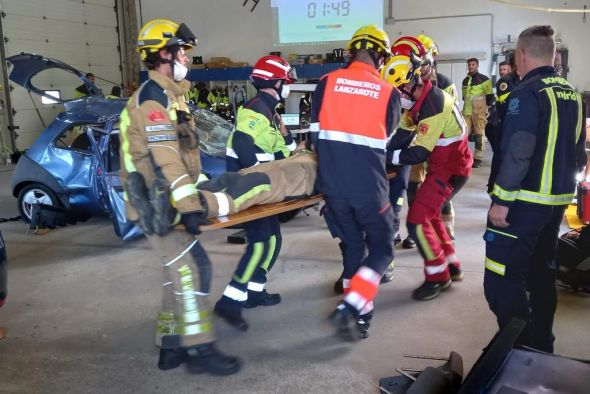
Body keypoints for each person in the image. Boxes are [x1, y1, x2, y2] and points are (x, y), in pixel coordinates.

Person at [118, 18, 240, 375]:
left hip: (167, 199)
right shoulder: (153, 99)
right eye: (181, 50)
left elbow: (187, 157)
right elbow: (165, 158)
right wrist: (189, 206)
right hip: (155, 204)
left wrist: (200, 191)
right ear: (162, 54)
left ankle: (171, 348)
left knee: (178, 274)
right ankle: (200, 350)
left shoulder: (174, 96)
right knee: (193, 270)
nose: (187, 56)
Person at [485, 25, 587, 353]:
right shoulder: (572, 93)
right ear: (555, 56)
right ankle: (543, 345)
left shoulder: (525, 93)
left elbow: (518, 150)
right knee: (542, 273)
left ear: (521, 56)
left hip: (523, 204)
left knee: (500, 278)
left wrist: (501, 200)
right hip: (556, 204)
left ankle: (520, 349)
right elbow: (579, 153)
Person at [311, 24, 401, 339]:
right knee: (382, 248)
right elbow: (386, 143)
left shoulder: (325, 83)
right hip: (370, 190)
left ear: (350, 52)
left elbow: (314, 140)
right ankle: (353, 306)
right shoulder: (390, 93)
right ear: (381, 57)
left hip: (332, 189)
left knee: (352, 246)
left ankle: (362, 316)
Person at [213, 55, 297, 331]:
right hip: (250, 188)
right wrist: (255, 176)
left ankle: (255, 291)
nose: (289, 85)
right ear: (275, 81)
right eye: (286, 81)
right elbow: (241, 142)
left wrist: (286, 136)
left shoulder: (270, 111)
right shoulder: (256, 108)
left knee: (272, 240)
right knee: (261, 242)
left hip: (264, 188)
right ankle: (230, 301)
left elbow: (284, 151)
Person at [383, 53, 472, 301]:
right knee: (430, 216)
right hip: (443, 166)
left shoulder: (433, 104)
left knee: (417, 220)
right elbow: (402, 132)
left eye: (398, 92)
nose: (398, 99)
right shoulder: (419, 101)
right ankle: (451, 265)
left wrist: (389, 158)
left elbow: (418, 151)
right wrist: (383, 150)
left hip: (452, 169)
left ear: (410, 84)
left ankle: (437, 277)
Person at [462, 58, 494, 168]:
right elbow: (464, 97)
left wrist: (487, 110)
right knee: (462, 135)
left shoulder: (485, 80)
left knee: (479, 134)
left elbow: (490, 97)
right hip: (466, 112)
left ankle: (478, 158)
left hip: (479, 112)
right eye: (469, 64)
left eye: (473, 64)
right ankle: (463, 156)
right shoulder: (465, 81)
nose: (470, 66)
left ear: (477, 65)